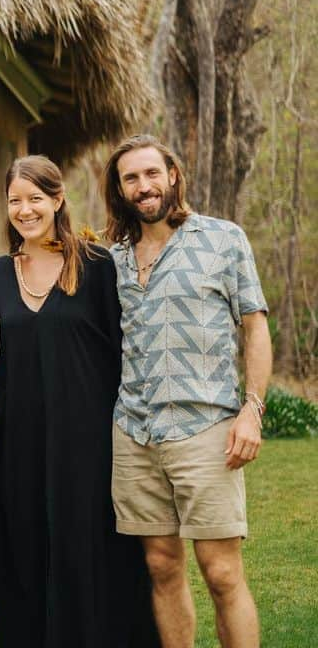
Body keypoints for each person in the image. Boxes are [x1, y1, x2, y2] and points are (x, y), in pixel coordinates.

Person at [0, 156, 158, 647]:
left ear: (57, 199)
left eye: (35, 198)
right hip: (18, 448)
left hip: (89, 447)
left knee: (94, 561)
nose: (25, 209)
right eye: (15, 200)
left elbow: (126, 352)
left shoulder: (98, 266)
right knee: (24, 560)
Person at [104, 135, 271, 648]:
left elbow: (255, 326)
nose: (143, 186)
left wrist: (253, 409)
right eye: (131, 178)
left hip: (206, 427)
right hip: (136, 431)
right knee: (161, 565)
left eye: (152, 173)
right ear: (120, 189)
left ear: (173, 175)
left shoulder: (222, 239)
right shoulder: (111, 260)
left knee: (221, 572)